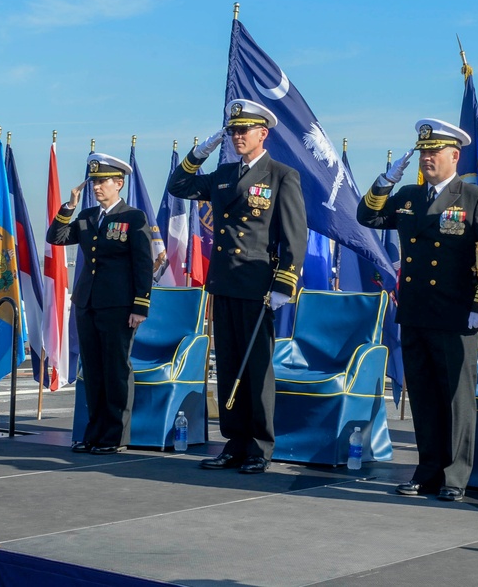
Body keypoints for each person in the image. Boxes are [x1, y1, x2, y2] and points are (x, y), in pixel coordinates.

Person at [357, 118, 478, 502]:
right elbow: (368, 216)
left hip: (457, 314)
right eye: (423, 151)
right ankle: (427, 471)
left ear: (454, 156)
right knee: (423, 394)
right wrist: (386, 180)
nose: (427, 158)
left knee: (456, 396)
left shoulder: (474, 198)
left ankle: (455, 477)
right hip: (417, 309)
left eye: (434, 152)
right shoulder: (408, 196)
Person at [168, 98, 306, 475]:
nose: (237, 135)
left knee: (257, 368)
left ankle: (260, 446)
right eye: (232, 131)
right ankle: (234, 441)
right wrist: (201, 151)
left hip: (259, 284)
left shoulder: (281, 175)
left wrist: (284, 284)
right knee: (228, 364)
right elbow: (178, 184)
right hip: (225, 282)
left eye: (244, 130)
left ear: (264, 133)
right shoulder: (223, 174)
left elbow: (294, 235)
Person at [46, 152, 154, 455]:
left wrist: (140, 305)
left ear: (118, 183)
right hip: (88, 302)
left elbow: (142, 264)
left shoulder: (132, 218)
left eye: (103, 181)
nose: (96, 187)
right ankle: (94, 433)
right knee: (92, 371)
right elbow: (56, 237)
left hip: (119, 305)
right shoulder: (88, 217)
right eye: (94, 181)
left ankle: (114, 436)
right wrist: (69, 206)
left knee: (115, 370)